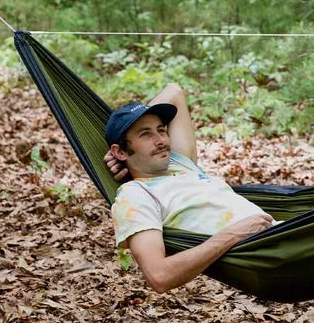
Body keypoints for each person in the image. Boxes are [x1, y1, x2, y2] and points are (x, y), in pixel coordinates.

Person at [103, 84, 274, 293]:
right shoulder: (135, 196)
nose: (160, 141)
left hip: (284, 233)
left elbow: (174, 92)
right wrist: (234, 235)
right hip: (267, 252)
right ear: (120, 151)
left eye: (161, 130)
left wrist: (134, 122)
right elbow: (159, 276)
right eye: (145, 134)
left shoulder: (180, 163)